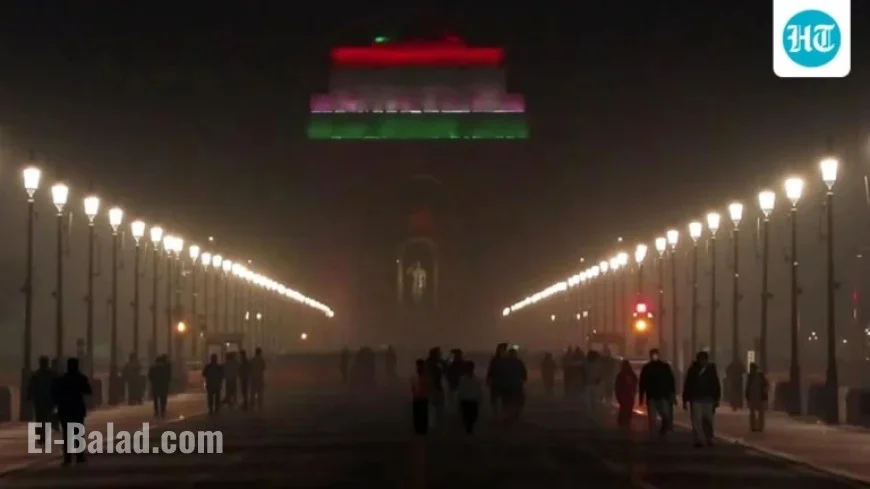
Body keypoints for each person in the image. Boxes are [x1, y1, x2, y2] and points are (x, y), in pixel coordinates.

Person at [53, 358, 92, 465]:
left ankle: (67, 457)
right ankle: (79, 455)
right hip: (77, 408)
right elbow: (88, 391)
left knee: (66, 434)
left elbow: (55, 394)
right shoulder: (81, 378)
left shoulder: (62, 379)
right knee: (78, 432)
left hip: (65, 408)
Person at [682, 351, 721, 447]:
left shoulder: (711, 370)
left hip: (708, 398)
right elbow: (688, 384)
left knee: (708, 420)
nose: (703, 361)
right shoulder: (693, 370)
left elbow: (715, 384)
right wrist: (685, 398)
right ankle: (699, 439)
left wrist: (716, 398)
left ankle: (709, 437)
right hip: (696, 398)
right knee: (696, 420)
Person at [638, 348, 676, 437]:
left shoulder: (664, 367)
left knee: (664, 414)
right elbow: (642, 383)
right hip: (652, 395)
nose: (654, 356)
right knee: (652, 417)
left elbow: (670, 381)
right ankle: (654, 433)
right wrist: (641, 397)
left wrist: (671, 392)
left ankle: (662, 428)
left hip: (662, 395)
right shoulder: (647, 368)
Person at [26, 356, 56, 446]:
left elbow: (31, 387)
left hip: (38, 400)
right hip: (49, 401)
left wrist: (29, 396)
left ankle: (39, 436)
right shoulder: (52, 374)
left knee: (39, 419)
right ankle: (43, 435)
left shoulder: (36, 375)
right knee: (47, 419)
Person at [501, 347, 528, 422]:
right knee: (514, 399)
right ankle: (512, 414)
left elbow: (523, 372)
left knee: (511, 399)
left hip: (511, 384)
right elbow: (524, 372)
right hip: (513, 384)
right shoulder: (517, 362)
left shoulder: (506, 362)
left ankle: (512, 414)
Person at [457, 361, 483, 434]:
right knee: (469, 414)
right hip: (466, 400)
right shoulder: (463, 379)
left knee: (473, 415)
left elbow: (479, 390)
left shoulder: (475, 379)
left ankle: (468, 424)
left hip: (472, 400)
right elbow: (460, 390)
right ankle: (468, 427)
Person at [425, 347, 445, 427]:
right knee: (433, 408)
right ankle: (433, 425)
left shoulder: (433, 362)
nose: (440, 354)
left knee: (436, 408)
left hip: (435, 388)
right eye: (439, 353)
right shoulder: (431, 364)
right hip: (433, 388)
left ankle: (435, 425)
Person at [486, 343, 508, 416]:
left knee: (504, 398)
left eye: (503, 349)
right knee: (494, 398)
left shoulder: (507, 359)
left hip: (504, 381)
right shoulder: (495, 359)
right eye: (501, 349)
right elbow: (491, 370)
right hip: (496, 381)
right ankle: (495, 412)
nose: (502, 351)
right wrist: (488, 379)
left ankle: (503, 412)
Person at [745, 362, 768, 432]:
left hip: (759, 395)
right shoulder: (750, 376)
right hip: (753, 396)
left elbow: (766, 384)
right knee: (752, 413)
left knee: (760, 413)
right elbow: (748, 386)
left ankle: (759, 427)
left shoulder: (760, 375)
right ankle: (753, 426)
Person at [615, 360, 638, 428]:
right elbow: (635, 383)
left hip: (625, 394)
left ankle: (623, 423)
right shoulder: (630, 374)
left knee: (624, 408)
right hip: (628, 394)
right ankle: (625, 422)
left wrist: (618, 395)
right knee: (627, 409)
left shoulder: (621, 374)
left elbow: (617, 386)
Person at [411, 359, 429, 435]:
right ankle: (420, 430)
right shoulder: (418, 376)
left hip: (421, 398)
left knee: (421, 414)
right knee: (420, 415)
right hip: (419, 398)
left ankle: (421, 430)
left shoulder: (424, 376)